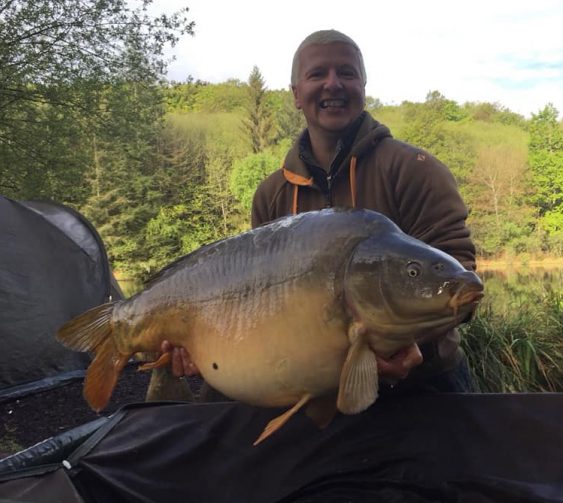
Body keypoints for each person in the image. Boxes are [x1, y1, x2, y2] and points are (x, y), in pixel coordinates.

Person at [164, 28, 477, 392]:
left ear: (363, 85)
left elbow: (462, 278)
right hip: (316, 381)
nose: (333, 84)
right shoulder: (271, 194)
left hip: (425, 383)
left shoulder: (416, 169)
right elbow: (260, 306)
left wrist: (409, 345)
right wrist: (207, 349)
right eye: (317, 74)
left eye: (347, 73)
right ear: (296, 94)